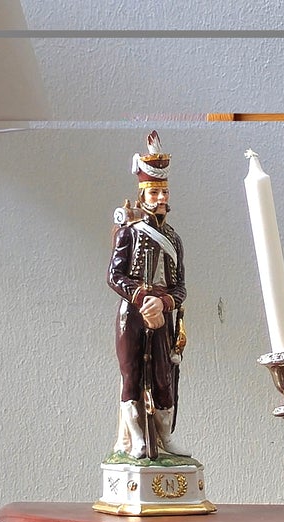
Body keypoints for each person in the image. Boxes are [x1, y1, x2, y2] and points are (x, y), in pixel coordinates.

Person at [108, 131, 187, 460]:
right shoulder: (129, 232)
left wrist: (166, 302)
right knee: (132, 375)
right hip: (133, 315)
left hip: (163, 318)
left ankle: (165, 437)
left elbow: (180, 286)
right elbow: (115, 275)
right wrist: (142, 297)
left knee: (163, 378)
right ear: (143, 194)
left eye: (163, 191)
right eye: (154, 191)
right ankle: (137, 437)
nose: (159, 197)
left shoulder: (174, 238)